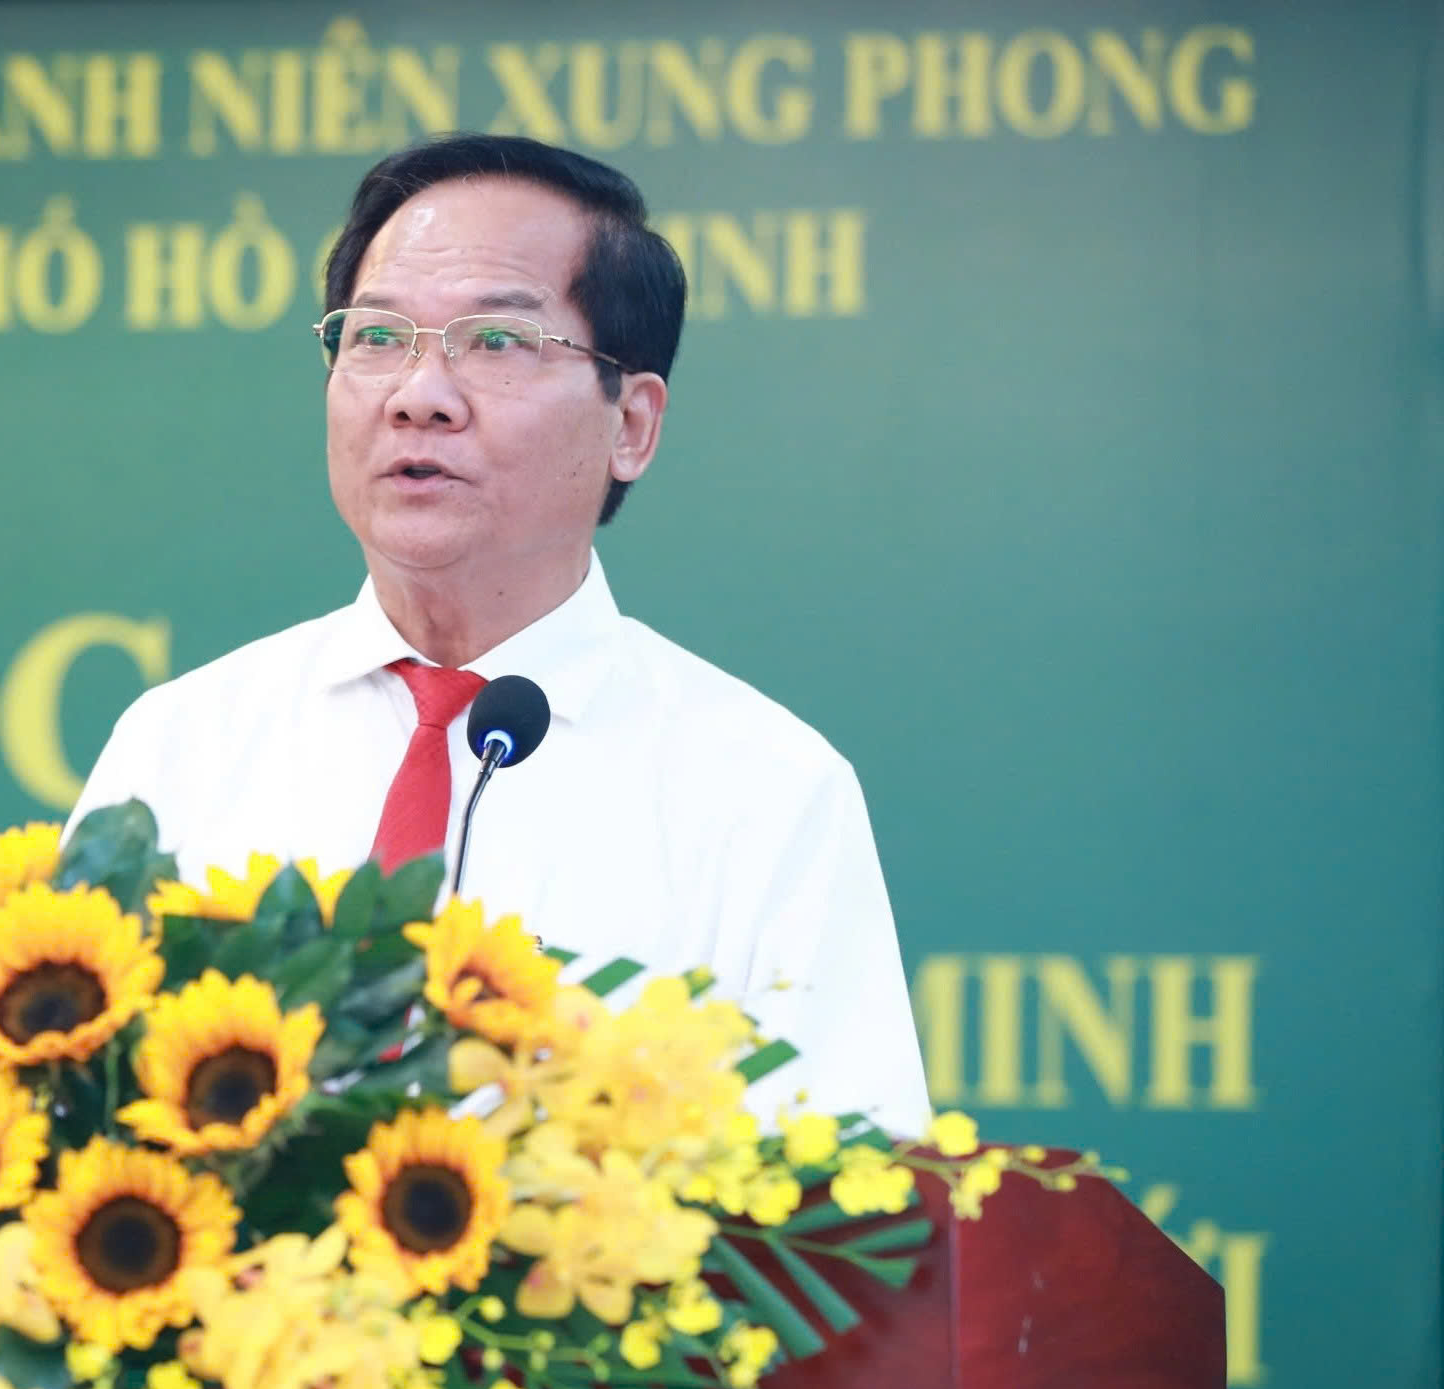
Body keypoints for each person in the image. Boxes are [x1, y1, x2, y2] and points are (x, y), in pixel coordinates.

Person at [68, 134, 931, 1136]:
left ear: (630, 425)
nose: (418, 395)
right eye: (376, 336)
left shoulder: (764, 790)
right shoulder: (183, 742)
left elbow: (853, 1190)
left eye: (496, 342)